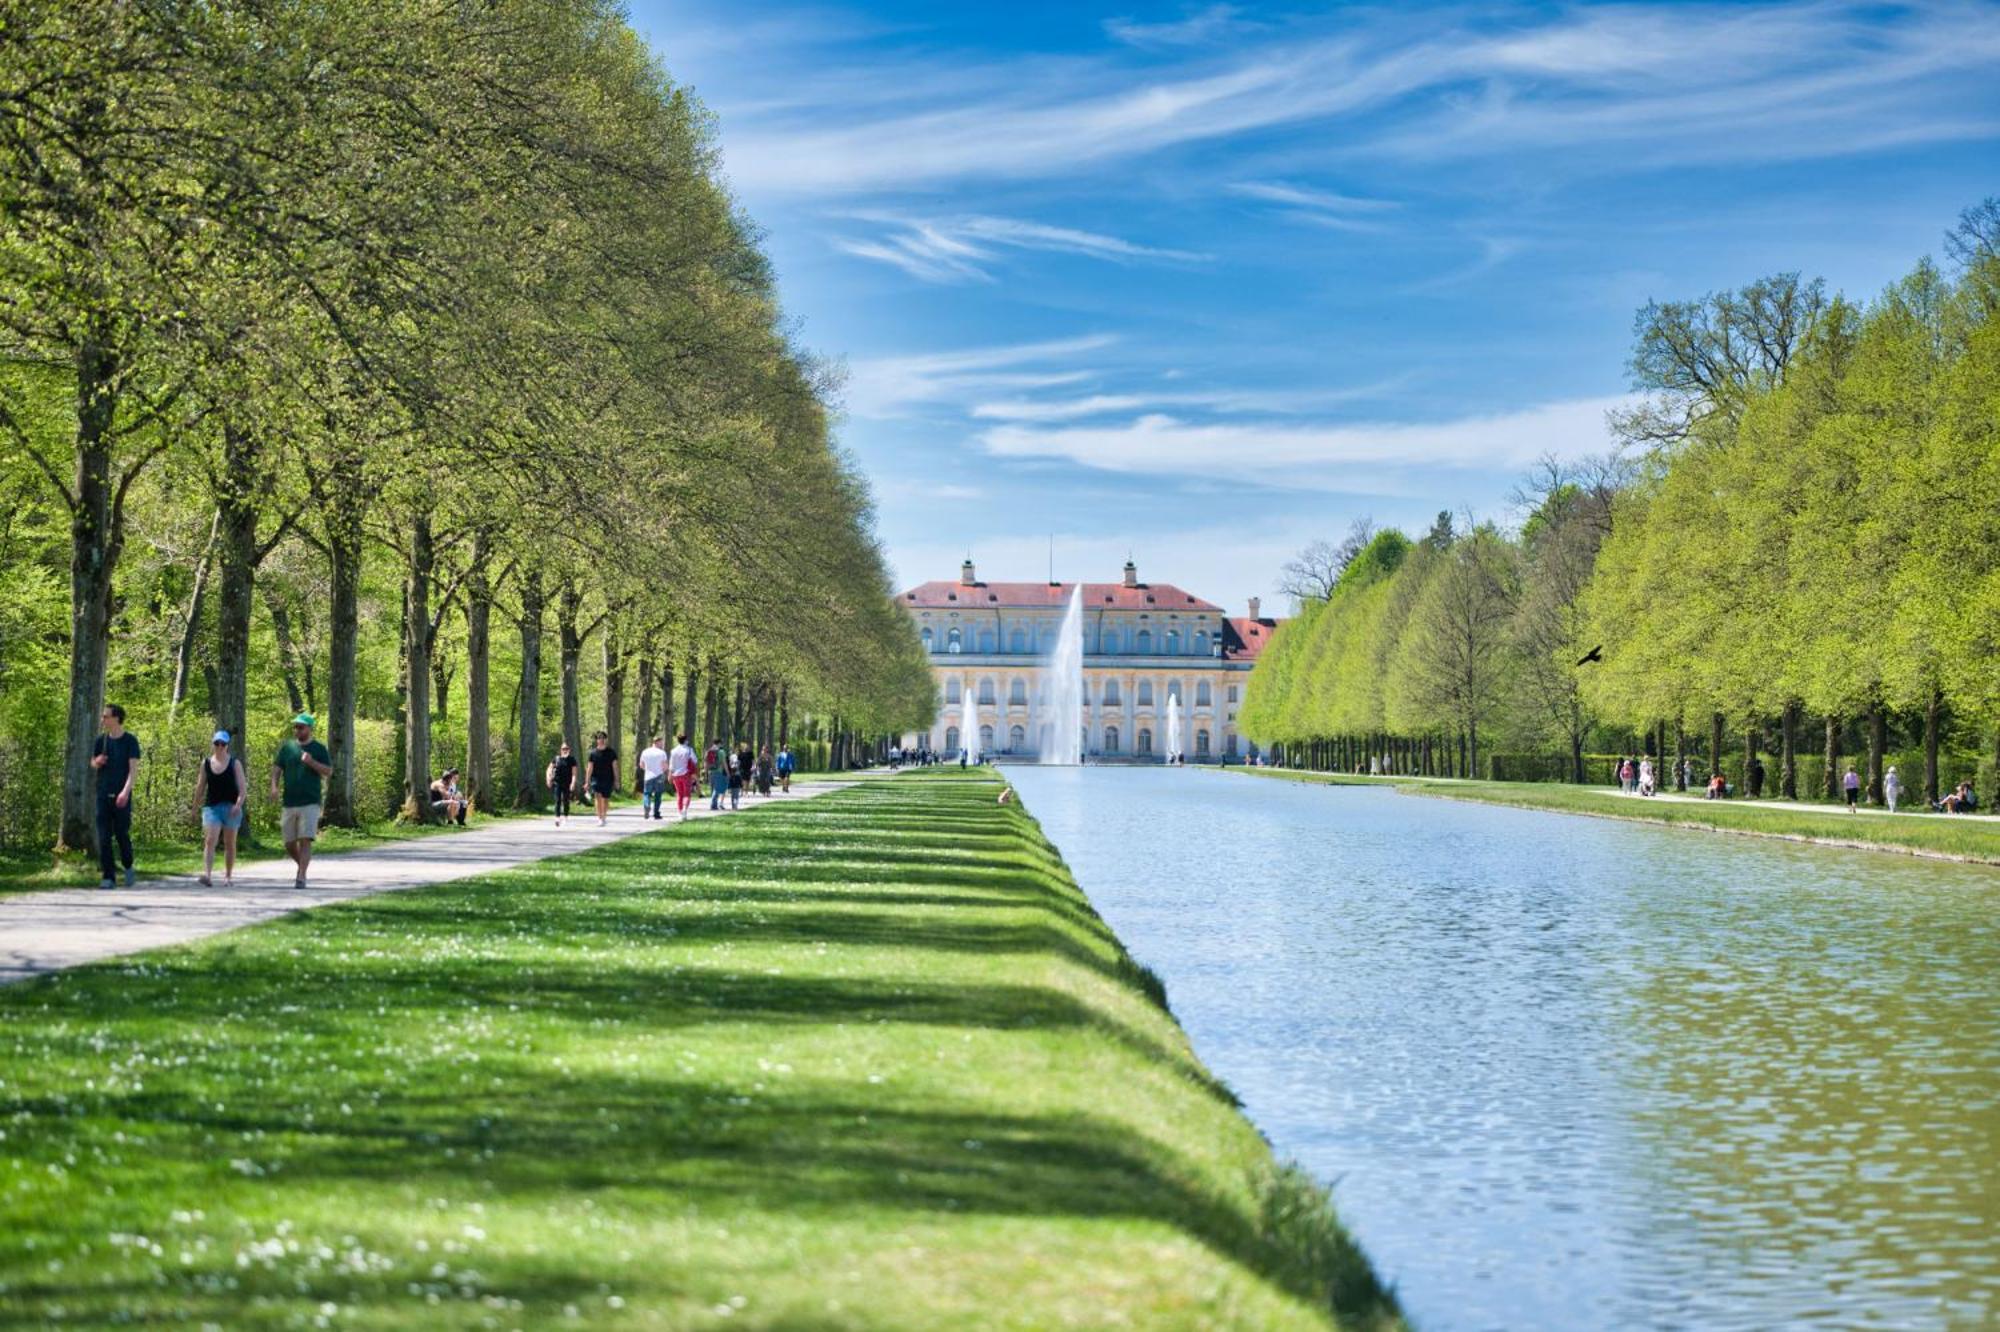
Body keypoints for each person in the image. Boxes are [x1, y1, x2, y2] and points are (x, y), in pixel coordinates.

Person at [271, 712, 332, 890]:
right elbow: (277, 769)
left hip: (310, 801)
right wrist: (274, 787)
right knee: (289, 842)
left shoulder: (319, 749)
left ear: (309, 729)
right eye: (295, 727)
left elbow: (328, 771)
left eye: (301, 727)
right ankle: (302, 865)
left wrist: (312, 762)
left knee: (305, 839)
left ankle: (302, 876)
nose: (297, 730)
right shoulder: (287, 748)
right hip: (289, 801)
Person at [90, 703, 142, 890]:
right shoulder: (101, 740)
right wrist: (97, 761)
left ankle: (128, 866)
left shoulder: (130, 741)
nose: (103, 719)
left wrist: (125, 792)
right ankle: (108, 877)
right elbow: (93, 763)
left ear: (116, 718)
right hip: (103, 794)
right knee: (103, 837)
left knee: (121, 834)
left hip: (122, 795)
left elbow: (133, 770)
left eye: (106, 716)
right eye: (103, 716)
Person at [191, 730, 247, 886]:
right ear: (213, 744)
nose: (220, 747)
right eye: (217, 743)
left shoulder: (235, 763)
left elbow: (243, 789)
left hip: (231, 807)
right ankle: (207, 876)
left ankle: (228, 877)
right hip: (212, 807)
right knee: (210, 840)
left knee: (230, 843)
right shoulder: (206, 763)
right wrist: (195, 807)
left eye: (223, 744)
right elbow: (200, 787)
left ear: (227, 745)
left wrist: (238, 805)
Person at [586, 732, 619, 826]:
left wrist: (617, 780)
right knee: (597, 797)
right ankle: (599, 817)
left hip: (608, 779)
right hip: (596, 779)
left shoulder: (611, 752)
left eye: (603, 738)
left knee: (605, 799)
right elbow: (589, 768)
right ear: (597, 740)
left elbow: (615, 767)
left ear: (606, 740)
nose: (601, 740)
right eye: (599, 738)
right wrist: (587, 781)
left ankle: (604, 816)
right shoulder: (593, 753)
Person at [667, 731, 698, 821]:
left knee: (679, 795)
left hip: (676, 775)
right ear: (686, 740)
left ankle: (680, 813)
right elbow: (695, 761)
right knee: (687, 794)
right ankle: (685, 810)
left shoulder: (673, 751)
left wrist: (670, 775)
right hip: (686, 774)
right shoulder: (689, 750)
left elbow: (671, 764)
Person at [638, 735, 670, 820]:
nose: (662, 744)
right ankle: (656, 813)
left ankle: (647, 806)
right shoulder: (662, 753)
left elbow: (641, 765)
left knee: (646, 794)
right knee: (658, 795)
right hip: (659, 775)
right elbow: (665, 766)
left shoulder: (645, 752)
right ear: (657, 742)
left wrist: (647, 769)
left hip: (648, 776)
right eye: (661, 742)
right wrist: (665, 771)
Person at [546, 741, 578, 827]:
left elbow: (574, 773)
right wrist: (548, 779)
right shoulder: (556, 759)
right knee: (557, 800)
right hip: (557, 783)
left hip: (567, 783)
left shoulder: (572, 760)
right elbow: (549, 768)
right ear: (560, 750)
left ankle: (565, 817)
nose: (565, 750)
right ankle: (557, 818)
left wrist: (573, 783)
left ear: (569, 750)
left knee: (566, 801)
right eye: (563, 749)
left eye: (566, 749)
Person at [706, 741, 728, 811]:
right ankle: (713, 805)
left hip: (710, 771)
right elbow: (724, 763)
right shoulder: (721, 752)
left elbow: (706, 762)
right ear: (719, 743)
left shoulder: (708, 751)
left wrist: (706, 772)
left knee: (713, 789)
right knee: (717, 789)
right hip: (718, 771)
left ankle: (714, 805)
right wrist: (727, 772)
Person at [730, 741, 752, 809]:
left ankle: (742, 793)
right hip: (736, 771)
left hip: (741, 771)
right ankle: (739, 795)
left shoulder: (745, 754)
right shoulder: (734, 756)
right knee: (739, 782)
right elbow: (732, 763)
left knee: (743, 782)